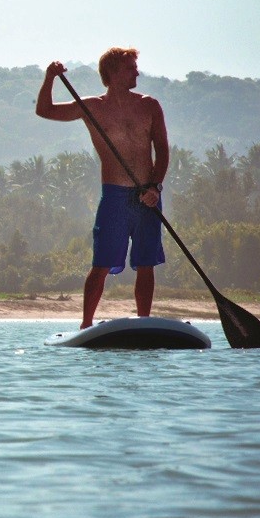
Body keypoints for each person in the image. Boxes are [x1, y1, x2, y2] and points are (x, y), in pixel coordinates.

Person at [36, 47, 169, 329]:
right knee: (101, 264)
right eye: (131, 67)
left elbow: (163, 151)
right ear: (112, 73)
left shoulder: (150, 105)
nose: (137, 72)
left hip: (148, 195)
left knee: (146, 264)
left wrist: (155, 188)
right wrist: (49, 77)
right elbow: (44, 111)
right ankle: (86, 324)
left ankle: (144, 323)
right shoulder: (93, 107)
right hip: (115, 197)